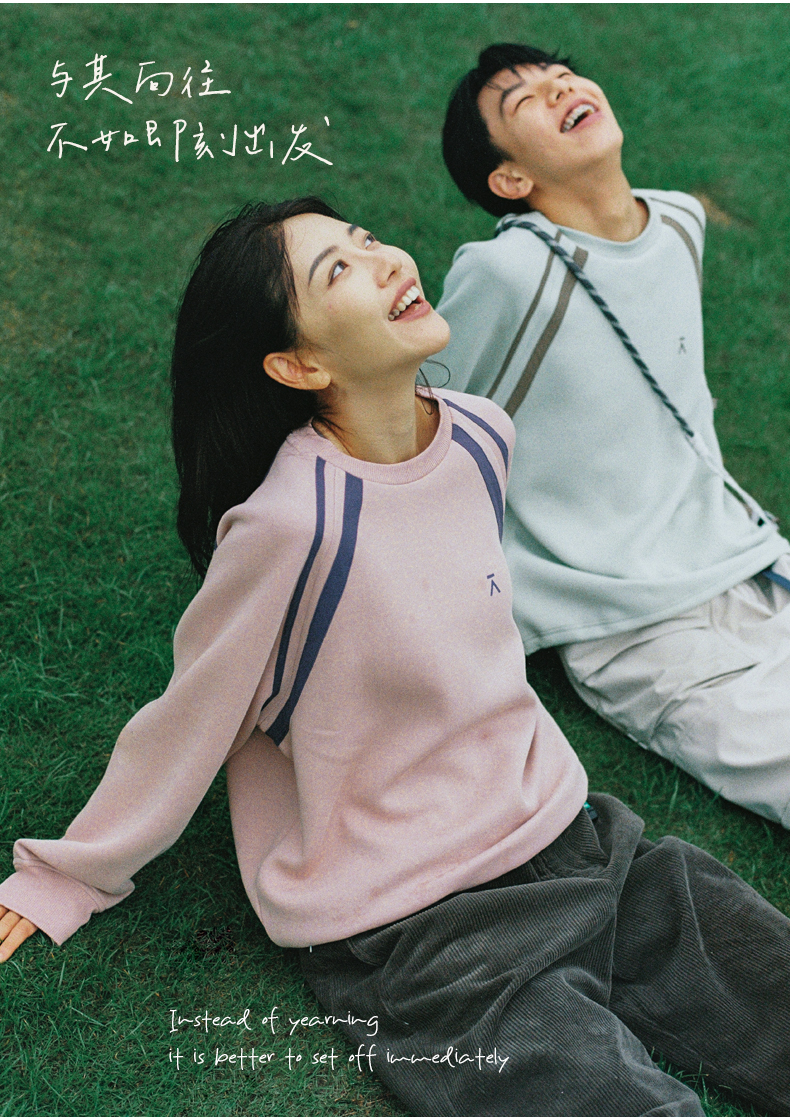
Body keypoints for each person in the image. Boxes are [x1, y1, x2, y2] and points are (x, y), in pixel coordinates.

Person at [1, 197, 789, 1117]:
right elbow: (190, 716)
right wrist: (66, 874)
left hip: (575, 841)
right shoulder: (290, 525)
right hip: (419, 927)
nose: (383, 260)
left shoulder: (482, 434)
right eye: (337, 269)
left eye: (366, 240)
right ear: (300, 365)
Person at [437, 43, 790, 828]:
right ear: (510, 181)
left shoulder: (679, 221)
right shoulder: (506, 275)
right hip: (631, 624)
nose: (558, 86)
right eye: (523, 99)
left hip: (746, 558)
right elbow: (416, 430)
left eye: (559, 74)